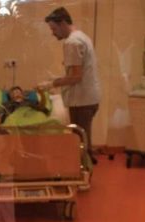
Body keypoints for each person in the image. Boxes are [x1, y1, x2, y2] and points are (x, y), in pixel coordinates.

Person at [42, 6, 101, 165]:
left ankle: (83, 169)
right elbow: (79, 71)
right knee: (84, 135)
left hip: (82, 100)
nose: (53, 33)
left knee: (79, 137)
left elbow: (75, 76)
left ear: (62, 23)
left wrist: (52, 84)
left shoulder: (72, 42)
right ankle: (86, 162)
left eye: (54, 29)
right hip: (89, 97)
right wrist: (58, 78)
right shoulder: (82, 37)